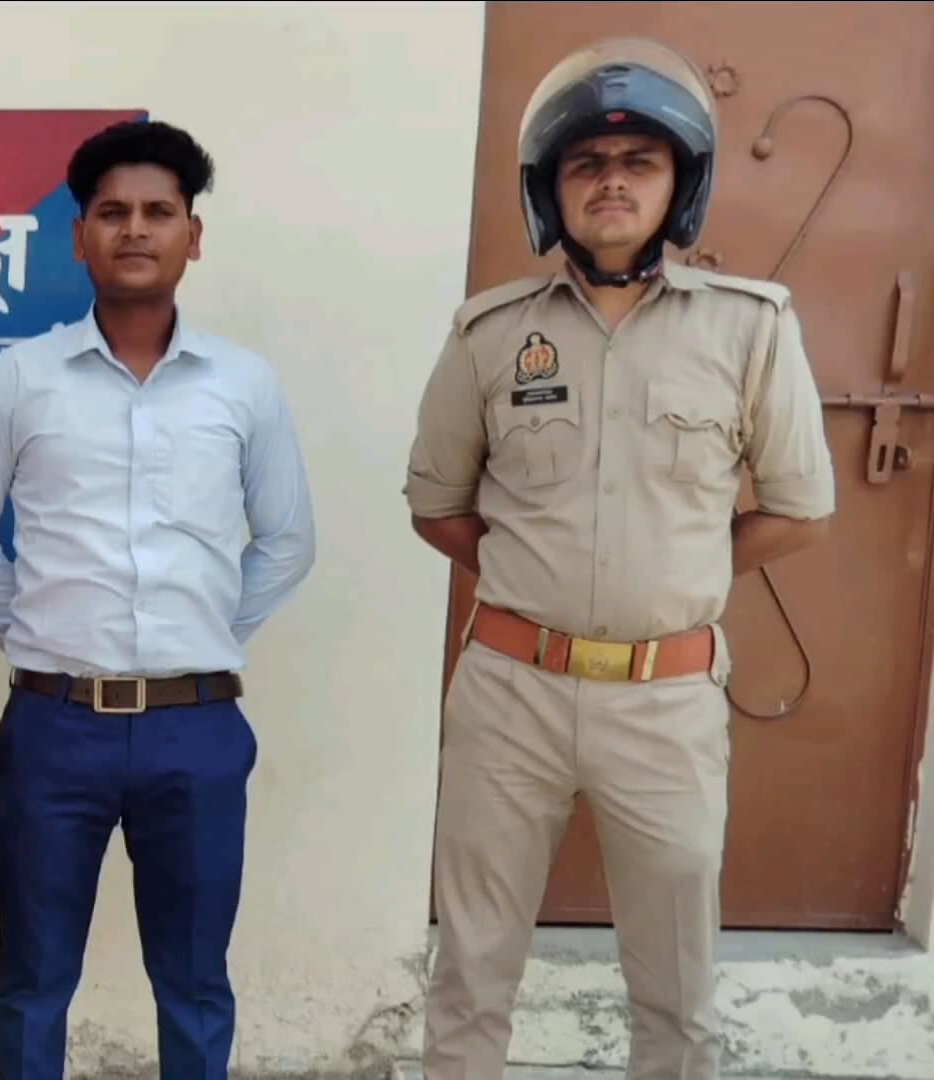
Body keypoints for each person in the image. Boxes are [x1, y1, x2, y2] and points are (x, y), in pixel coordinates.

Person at [404, 37, 836, 1080]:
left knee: (677, 989)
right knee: (470, 972)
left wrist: (679, 573)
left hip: (666, 700)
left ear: (681, 184)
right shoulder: (490, 335)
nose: (611, 182)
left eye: (639, 162)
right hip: (510, 695)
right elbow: (436, 505)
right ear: (549, 190)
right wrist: (534, 576)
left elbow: (801, 507)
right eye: (586, 165)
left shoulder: (750, 331)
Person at [0, 119, 317, 1078]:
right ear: (79, 236)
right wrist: (36, 636)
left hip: (198, 729)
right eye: (112, 213)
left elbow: (287, 540)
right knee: (33, 977)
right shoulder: (21, 378)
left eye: (158, 211)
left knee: (195, 983)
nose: (135, 229)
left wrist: (207, 637)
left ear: (194, 234)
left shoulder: (244, 385)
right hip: (54, 729)